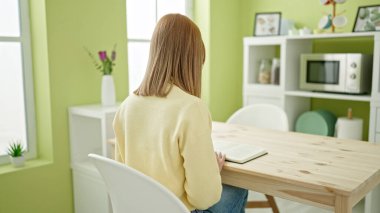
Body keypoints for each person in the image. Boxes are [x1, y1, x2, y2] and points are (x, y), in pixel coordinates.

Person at [113, 13, 248, 212]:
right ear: (191, 62)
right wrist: (212, 172)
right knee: (238, 190)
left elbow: (123, 178)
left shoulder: (126, 106)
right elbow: (203, 198)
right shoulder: (191, 108)